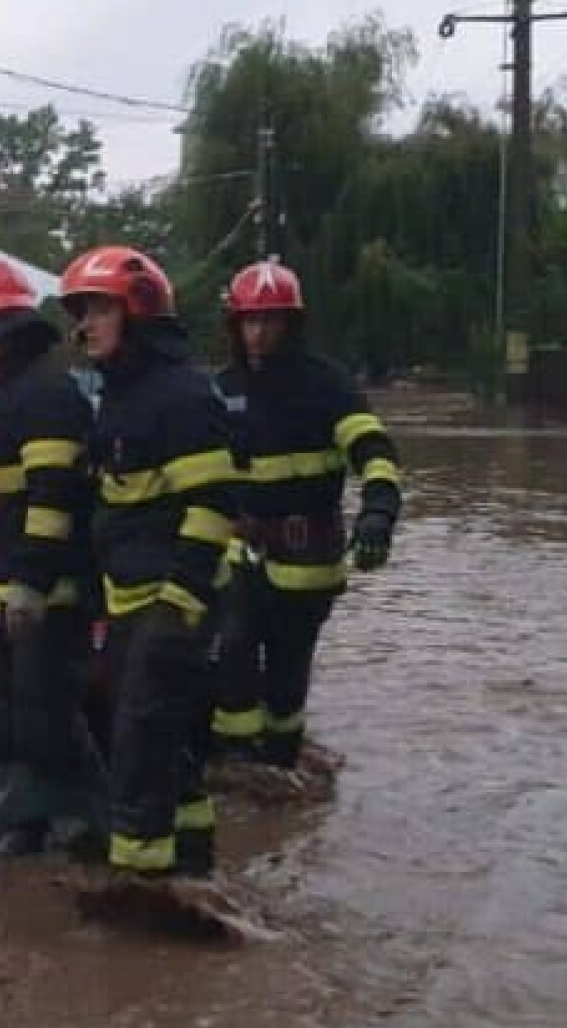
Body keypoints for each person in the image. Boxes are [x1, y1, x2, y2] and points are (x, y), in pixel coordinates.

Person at [61, 244, 239, 880]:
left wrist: (179, 605)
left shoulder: (182, 396)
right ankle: (191, 855)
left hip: (173, 603)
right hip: (134, 601)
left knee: (138, 740)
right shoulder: (122, 395)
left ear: (136, 310)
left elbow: (214, 504)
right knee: (146, 733)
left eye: (97, 309)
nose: (83, 325)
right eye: (80, 311)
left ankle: (138, 883)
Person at [208, 258, 402, 769]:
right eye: (250, 321)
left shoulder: (328, 386)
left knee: (288, 675)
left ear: (291, 325)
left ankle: (281, 763)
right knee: (232, 649)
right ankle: (236, 764)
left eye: (271, 320)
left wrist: (378, 512)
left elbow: (373, 450)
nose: (259, 333)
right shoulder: (220, 388)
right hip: (236, 548)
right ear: (235, 326)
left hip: (306, 556)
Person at [0, 257, 102, 857]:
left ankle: (89, 827)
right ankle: (23, 825)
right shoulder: (8, 396)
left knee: (47, 722)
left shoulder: (44, 395)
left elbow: (51, 498)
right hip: (0, 588)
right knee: (4, 720)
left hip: (43, 596)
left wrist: (32, 583)